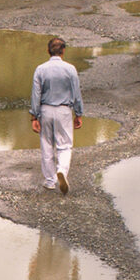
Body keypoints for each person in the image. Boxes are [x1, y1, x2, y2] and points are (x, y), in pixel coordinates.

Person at [29, 37, 83, 194]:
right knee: (64, 145)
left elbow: (35, 94)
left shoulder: (40, 69)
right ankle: (62, 171)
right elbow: (76, 94)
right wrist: (78, 114)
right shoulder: (70, 69)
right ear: (63, 51)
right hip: (64, 110)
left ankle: (50, 181)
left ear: (48, 51)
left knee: (46, 145)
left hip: (45, 110)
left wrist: (34, 116)